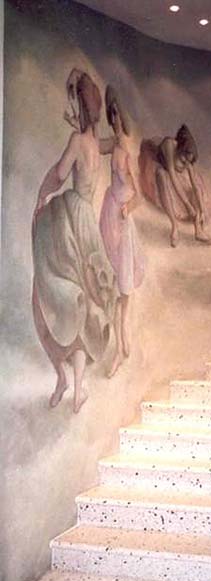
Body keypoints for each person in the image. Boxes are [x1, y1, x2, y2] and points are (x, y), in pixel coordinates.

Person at [32, 70, 117, 413]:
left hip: (72, 219)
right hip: (85, 222)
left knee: (57, 295)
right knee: (81, 301)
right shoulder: (95, 143)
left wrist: (42, 195)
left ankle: (66, 380)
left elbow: (59, 173)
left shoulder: (80, 141)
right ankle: (76, 386)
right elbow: (113, 142)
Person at [99, 86, 145, 378]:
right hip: (111, 216)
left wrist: (128, 209)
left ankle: (122, 343)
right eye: (111, 114)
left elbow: (139, 195)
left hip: (122, 220)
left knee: (123, 289)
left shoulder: (125, 151)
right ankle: (120, 345)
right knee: (118, 288)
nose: (114, 119)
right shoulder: (113, 146)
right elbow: (94, 144)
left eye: (117, 115)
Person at [138, 125, 211, 247]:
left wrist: (201, 209)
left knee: (196, 189)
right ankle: (175, 225)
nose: (186, 163)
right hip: (166, 172)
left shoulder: (187, 160)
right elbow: (172, 176)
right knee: (161, 175)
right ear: (179, 149)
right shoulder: (169, 145)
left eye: (188, 162)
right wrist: (187, 205)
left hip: (178, 176)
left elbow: (195, 185)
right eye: (184, 160)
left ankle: (198, 230)